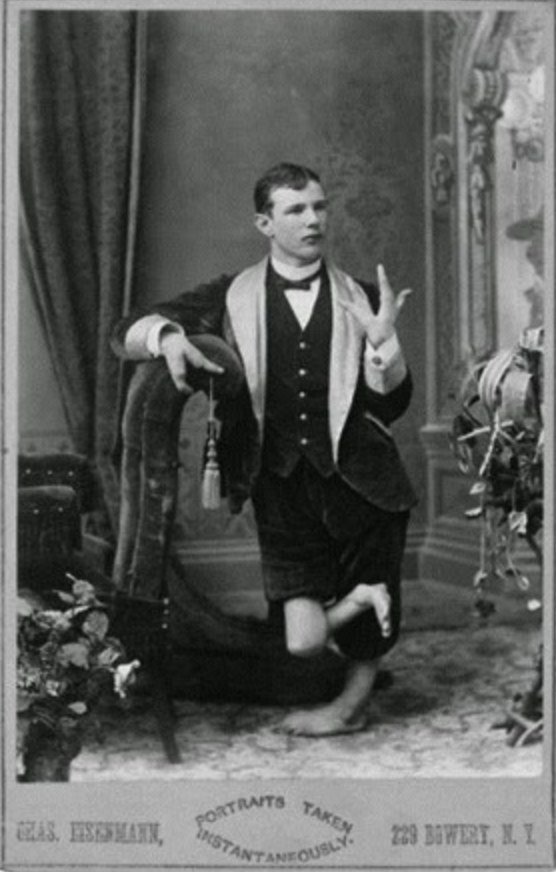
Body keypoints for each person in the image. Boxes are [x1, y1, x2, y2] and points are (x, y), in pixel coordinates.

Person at [112, 162, 417, 736]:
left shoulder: (364, 296)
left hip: (364, 482)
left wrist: (383, 348)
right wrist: (169, 337)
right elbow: (123, 330)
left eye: (319, 207)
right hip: (278, 485)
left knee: (368, 630)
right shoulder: (230, 296)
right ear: (264, 223)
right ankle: (361, 599)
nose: (313, 220)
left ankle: (350, 708)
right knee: (300, 641)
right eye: (296, 210)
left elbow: (394, 405)